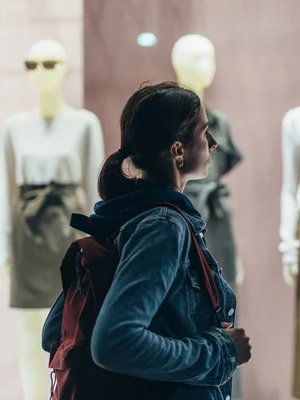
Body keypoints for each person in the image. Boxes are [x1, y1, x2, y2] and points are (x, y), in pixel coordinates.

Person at [42, 81, 252, 399]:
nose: (213, 143)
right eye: (203, 132)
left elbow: (55, 334)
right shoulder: (164, 227)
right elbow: (114, 342)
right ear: (178, 150)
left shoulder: (122, 219)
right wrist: (222, 351)